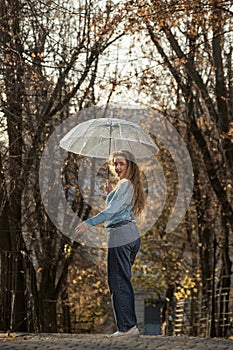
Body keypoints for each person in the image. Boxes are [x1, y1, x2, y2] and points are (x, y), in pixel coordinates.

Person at [75, 150, 146, 337]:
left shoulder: (125, 184)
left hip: (121, 234)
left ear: (130, 165)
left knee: (117, 281)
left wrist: (88, 223)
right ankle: (130, 326)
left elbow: (111, 213)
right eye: (115, 164)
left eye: (121, 163)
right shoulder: (127, 186)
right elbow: (119, 208)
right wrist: (110, 193)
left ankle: (127, 327)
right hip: (130, 233)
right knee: (123, 280)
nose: (117, 167)